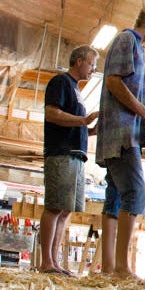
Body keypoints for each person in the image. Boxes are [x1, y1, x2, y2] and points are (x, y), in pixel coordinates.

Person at [94, 11, 145, 280]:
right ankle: (122, 267)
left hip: (120, 133)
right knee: (137, 193)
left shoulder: (134, 45)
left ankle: (110, 267)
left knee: (114, 197)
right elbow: (114, 81)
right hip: (123, 133)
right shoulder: (127, 40)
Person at [38, 45, 100, 275]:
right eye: (92, 63)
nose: (94, 69)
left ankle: (54, 261)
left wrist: (90, 130)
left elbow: (76, 124)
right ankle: (46, 261)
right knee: (54, 206)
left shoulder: (76, 90)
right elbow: (52, 113)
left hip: (75, 154)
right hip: (61, 151)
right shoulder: (61, 82)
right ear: (80, 60)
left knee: (65, 210)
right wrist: (83, 121)